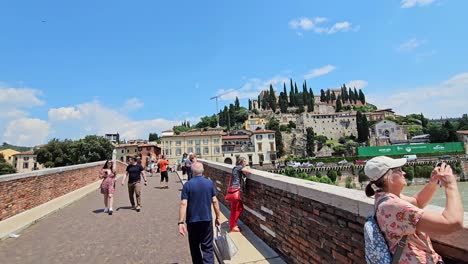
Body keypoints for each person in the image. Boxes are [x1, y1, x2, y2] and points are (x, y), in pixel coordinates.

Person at [364, 156, 464, 264]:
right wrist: (451, 185)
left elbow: (417, 202)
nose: (404, 173)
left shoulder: (384, 198)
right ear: (388, 178)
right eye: (399, 170)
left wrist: (433, 182)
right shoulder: (392, 205)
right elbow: (452, 223)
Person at [178, 162, 221, 264]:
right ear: (203, 171)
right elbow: (215, 201)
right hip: (206, 220)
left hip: (192, 221)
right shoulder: (209, 183)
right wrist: (218, 217)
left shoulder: (187, 185)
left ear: (192, 171)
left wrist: (180, 222)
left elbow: (183, 204)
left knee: (195, 248)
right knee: (208, 248)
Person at [228, 157, 252, 232]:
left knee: (237, 208)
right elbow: (249, 172)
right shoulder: (238, 167)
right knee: (236, 208)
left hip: (234, 189)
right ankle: (232, 226)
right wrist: (247, 168)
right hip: (235, 190)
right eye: (244, 161)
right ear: (241, 162)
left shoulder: (235, 168)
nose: (245, 163)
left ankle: (233, 224)